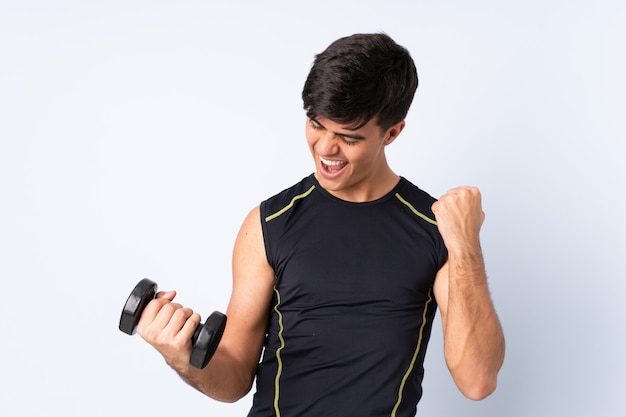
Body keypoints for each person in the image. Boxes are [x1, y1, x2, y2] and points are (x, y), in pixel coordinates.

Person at [136, 33, 505, 416]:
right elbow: (233, 380)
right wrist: (181, 357)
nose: (326, 148)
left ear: (392, 132)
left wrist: (465, 245)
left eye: (348, 137)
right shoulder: (268, 224)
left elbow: (477, 381)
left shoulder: (436, 229)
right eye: (316, 124)